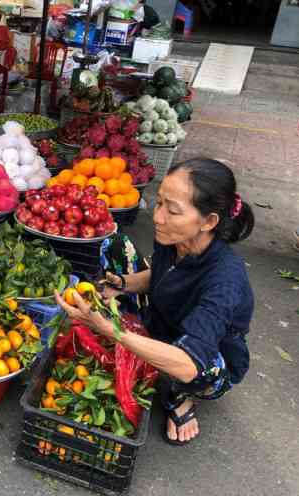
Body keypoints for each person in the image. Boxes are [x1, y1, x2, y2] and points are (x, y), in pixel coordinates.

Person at [56, 158, 255, 446]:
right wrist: (122, 286)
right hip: (162, 318)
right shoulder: (173, 237)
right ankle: (140, 344)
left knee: (200, 368)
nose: (158, 217)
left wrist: (110, 331)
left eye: (172, 210)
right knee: (113, 245)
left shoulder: (225, 279)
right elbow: (163, 273)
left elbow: (189, 364)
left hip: (201, 354)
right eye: (159, 202)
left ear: (208, 222)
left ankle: (178, 397)